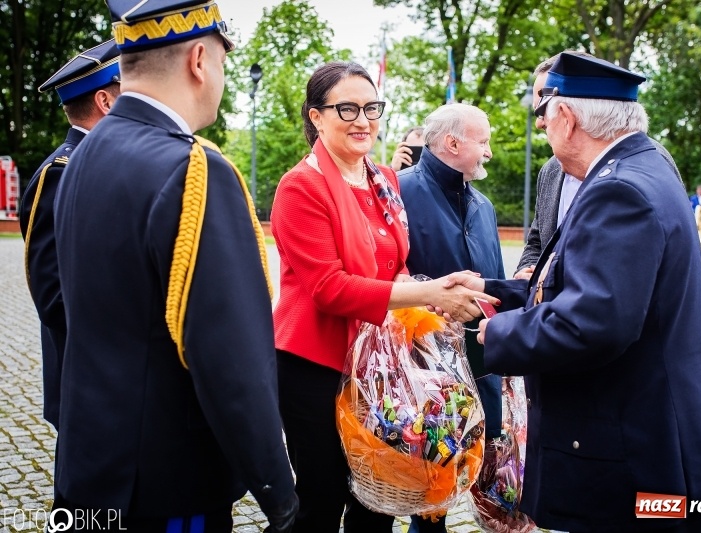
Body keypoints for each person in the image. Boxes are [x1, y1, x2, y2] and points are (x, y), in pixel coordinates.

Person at [454, 52, 701, 532]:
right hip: (646, 440)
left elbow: (591, 323)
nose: (541, 126)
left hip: (638, 459)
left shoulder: (618, 189)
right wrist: (491, 288)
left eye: (542, 113)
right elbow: (576, 283)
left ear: (566, 115)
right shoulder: (638, 166)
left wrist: (497, 333)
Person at [52, 2, 299, 531]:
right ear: (198, 61)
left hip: (87, 470)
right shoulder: (192, 168)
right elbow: (230, 359)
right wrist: (277, 488)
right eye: (225, 61)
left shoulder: (80, 157)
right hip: (167, 485)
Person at [269, 61, 497, 533]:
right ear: (316, 117)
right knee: (323, 495)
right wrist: (421, 291)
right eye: (346, 108)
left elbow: (393, 267)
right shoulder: (300, 187)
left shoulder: (383, 180)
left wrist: (438, 294)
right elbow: (329, 288)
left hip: (379, 363)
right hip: (317, 364)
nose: (362, 120)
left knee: (380, 494)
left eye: (371, 107)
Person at [397, 103, 505, 533]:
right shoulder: (398, 191)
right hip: (421, 370)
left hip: (480, 366)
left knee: (492, 482)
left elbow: (493, 284)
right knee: (427, 496)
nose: (490, 152)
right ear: (452, 142)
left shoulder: (484, 206)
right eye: (484, 141)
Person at [19, 39, 120, 431]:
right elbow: (53, 296)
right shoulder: (61, 172)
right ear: (106, 102)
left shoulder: (104, 164)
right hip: (88, 381)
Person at [515, 52, 681, 278]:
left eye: (543, 108)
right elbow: (537, 240)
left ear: (567, 117)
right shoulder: (551, 169)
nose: (539, 122)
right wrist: (526, 277)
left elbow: (606, 296)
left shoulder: (633, 177)